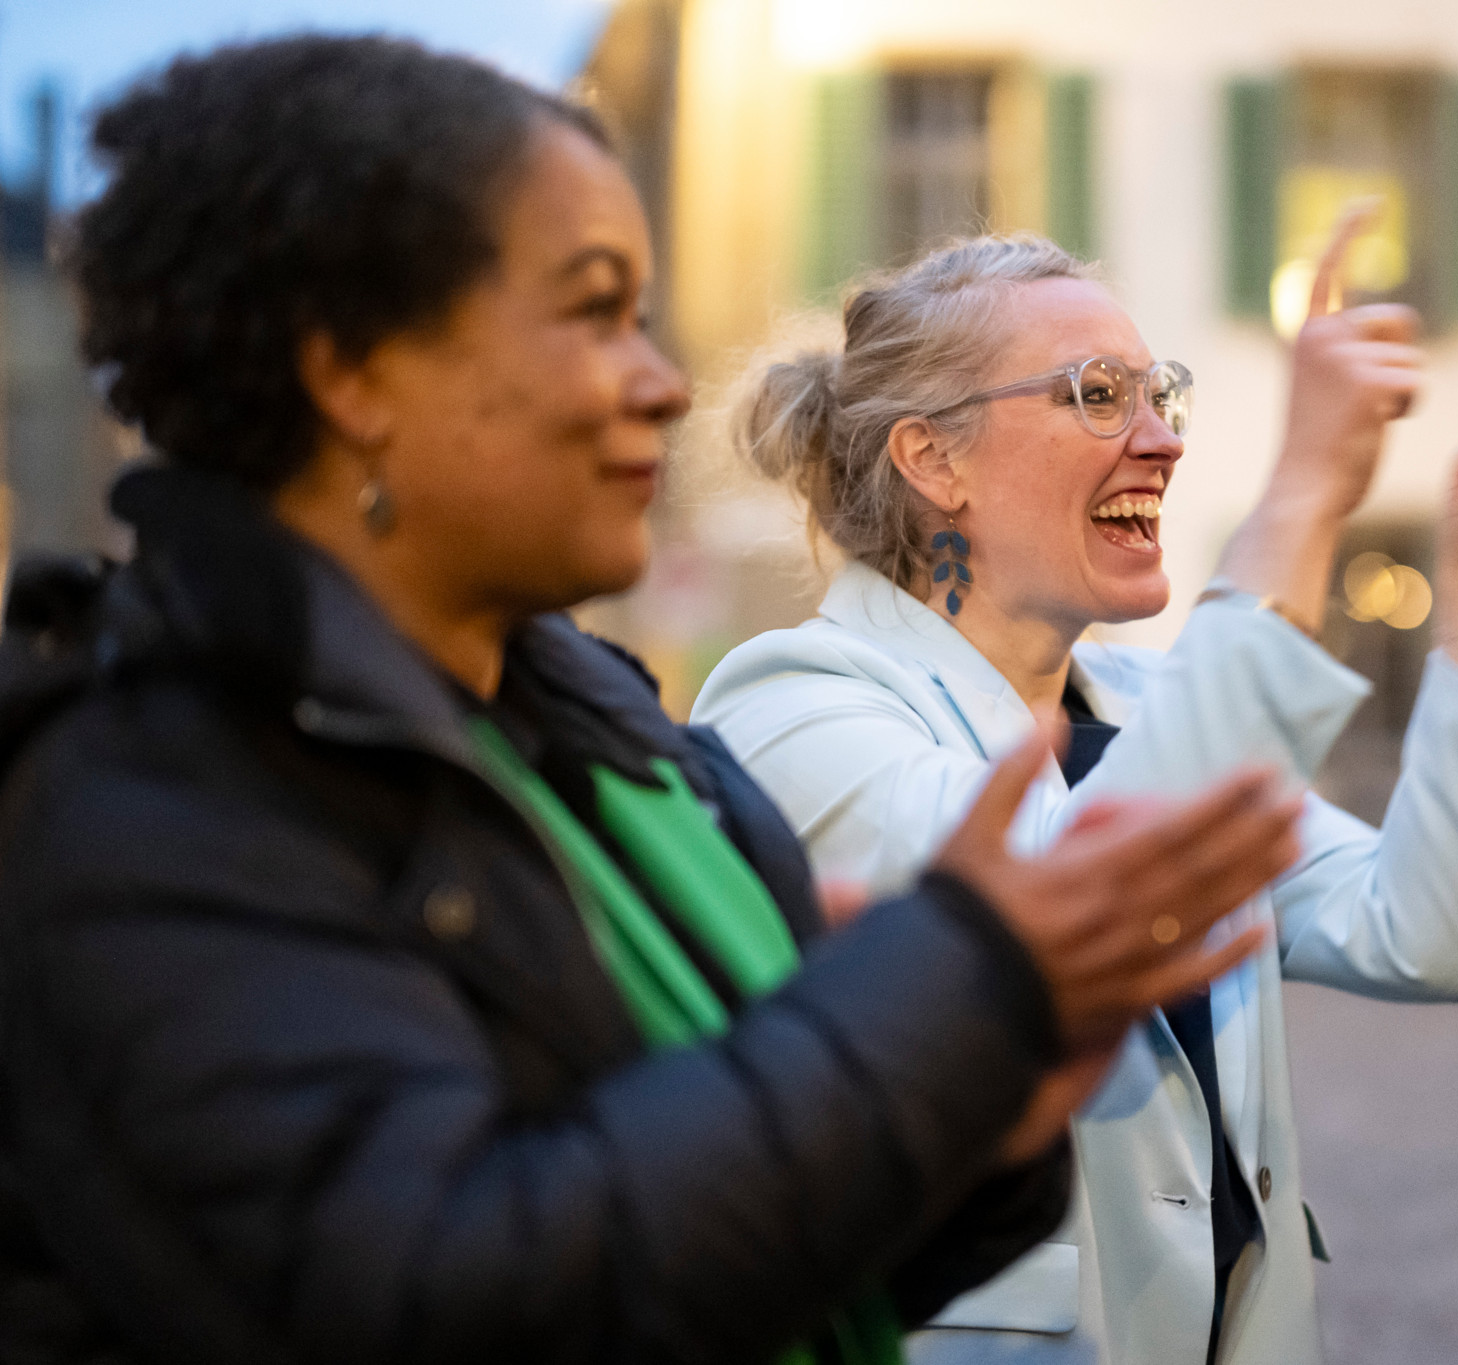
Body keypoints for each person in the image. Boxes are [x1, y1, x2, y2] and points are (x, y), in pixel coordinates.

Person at [0, 36, 1311, 1365]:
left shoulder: (624, 749)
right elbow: (456, 1299)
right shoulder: (145, 802)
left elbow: (760, 1246)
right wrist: (927, 1004)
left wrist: (985, 1131)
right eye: (593, 311)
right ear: (356, 372)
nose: (663, 381)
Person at [692, 216, 1458, 1364]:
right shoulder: (793, 706)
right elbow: (1102, 891)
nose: (1159, 441)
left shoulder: (1148, 707)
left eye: (1160, 393)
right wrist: (1304, 494)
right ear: (933, 459)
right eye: (1097, 394)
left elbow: (1418, 931)